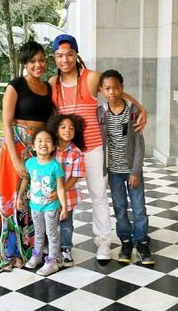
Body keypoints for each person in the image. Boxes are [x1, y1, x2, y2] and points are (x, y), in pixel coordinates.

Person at [49, 34, 147, 261]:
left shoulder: (91, 78)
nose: (65, 59)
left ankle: (103, 242)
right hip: (68, 151)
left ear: (76, 54)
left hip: (93, 149)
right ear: (54, 57)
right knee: (62, 195)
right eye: (59, 55)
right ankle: (61, 245)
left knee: (98, 196)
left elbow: (115, 89)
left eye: (69, 54)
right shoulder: (54, 84)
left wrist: (141, 108)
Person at [0, 41, 53, 272]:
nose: (38, 65)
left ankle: (34, 248)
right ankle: (8, 250)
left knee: (36, 198)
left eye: (41, 60)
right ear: (25, 64)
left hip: (39, 148)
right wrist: (15, 159)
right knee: (11, 196)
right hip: (16, 149)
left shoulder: (48, 87)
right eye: (32, 61)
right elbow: (6, 124)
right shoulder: (15, 86)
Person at [98, 69, 155, 265]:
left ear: (122, 88)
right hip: (113, 171)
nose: (112, 92)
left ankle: (142, 242)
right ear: (101, 90)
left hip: (132, 171)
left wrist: (136, 171)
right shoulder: (101, 112)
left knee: (139, 208)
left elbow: (139, 145)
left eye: (116, 87)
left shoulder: (133, 112)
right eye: (107, 88)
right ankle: (126, 241)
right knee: (120, 208)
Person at [17, 128, 68, 276]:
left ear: (53, 146)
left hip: (51, 207)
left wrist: (64, 207)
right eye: (39, 141)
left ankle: (52, 261)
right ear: (33, 146)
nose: (43, 144)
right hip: (35, 206)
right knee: (39, 232)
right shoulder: (30, 163)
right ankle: (37, 255)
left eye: (47, 141)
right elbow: (25, 180)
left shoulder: (55, 166)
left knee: (52, 233)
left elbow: (60, 187)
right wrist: (20, 196)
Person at [47, 114, 86, 267]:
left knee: (66, 225)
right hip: (49, 196)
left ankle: (66, 249)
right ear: (56, 131)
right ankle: (50, 248)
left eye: (71, 128)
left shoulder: (77, 153)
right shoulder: (51, 150)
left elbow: (75, 177)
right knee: (49, 223)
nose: (67, 130)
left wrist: (60, 191)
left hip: (68, 196)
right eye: (63, 127)